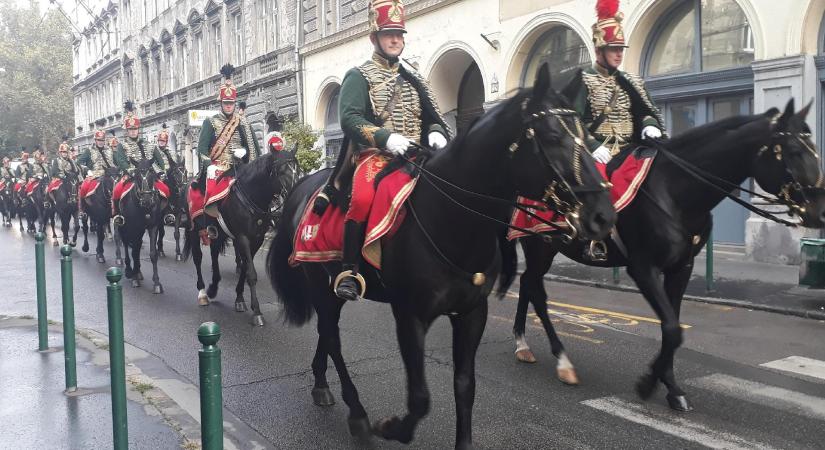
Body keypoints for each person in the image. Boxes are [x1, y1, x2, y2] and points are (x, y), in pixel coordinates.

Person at [331, 0, 451, 301]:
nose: (395, 39)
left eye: (399, 33)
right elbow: (349, 118)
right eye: (388, 34)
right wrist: (384, 138)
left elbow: (434, 117)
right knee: (360, 199)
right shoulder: (358, 75)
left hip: (417, 154)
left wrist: (437, 133)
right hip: (377, 155)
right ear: (375, 37)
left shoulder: (414, 78)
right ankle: (350, 270)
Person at [562, 0, 665, 166]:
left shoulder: (633, 81)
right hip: (597, 156)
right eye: (613, 49)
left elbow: (644, 111)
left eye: (621, 49)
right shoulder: (583, 80)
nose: (619, 54)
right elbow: (570, 121)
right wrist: (592, 145)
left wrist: (649, 124)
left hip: (631, 153)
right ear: (598, 50)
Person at [188, 64, 260, 243]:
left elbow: (254, 150)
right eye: (226, 103)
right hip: (218, 168)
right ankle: (210, 226)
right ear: (221, 103)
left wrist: (245, 156)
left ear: (235, 103)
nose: (229, 106)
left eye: (231, 103)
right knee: (211, 194)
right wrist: (209, 165)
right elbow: (202, 150)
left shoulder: (242, 122)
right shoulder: (210, 123)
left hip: (240, 168)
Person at [111, 100, 169, 226]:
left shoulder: (149, 144)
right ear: (127, 130)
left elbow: (159, 160)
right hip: (131, 176)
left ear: (138, 129)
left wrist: (160, 171)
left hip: (149, 175)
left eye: (135, 129)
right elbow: (121, 161)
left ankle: (167, 213)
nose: (133, 131)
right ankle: (117, 214)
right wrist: (129, 169)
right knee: (116, 190)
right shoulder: (122, 145)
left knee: (165, 189)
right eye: (130, 129)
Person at [76, 129, 117, 218]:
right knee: (83, 187)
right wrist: (87, 170)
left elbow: (116, 162)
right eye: (99, 140)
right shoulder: (89, 151)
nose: (101, 142)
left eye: (102, 140)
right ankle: (82, 210)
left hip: (109, 175)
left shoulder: (110, 150)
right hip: (94, 175)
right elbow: (78, 162)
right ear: (95, 140)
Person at [48, 138, 83, 203]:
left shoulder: (71, 160)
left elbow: (75, 171)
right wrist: (62, 176)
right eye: (62, 152)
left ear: (67, 152)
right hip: (59, 178)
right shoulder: (56, 160)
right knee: (50, 188)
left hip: (70, 178)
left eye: (65, 152)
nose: (64, 154)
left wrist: (73, 176)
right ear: (60, 153)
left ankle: (80, 205)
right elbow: (54, 171)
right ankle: (51, 202)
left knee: (79, 187)